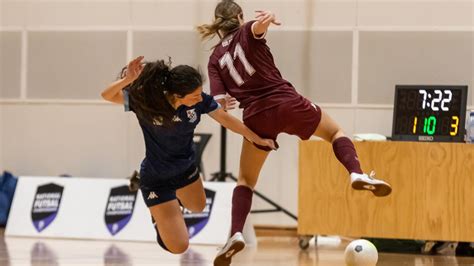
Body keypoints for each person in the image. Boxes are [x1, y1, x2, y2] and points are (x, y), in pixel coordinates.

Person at [197, 1, 392, 265]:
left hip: (255, 117)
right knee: (335, 132)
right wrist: (267, 19)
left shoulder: (214, 59)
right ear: (239, 16)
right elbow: (257, 28)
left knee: (245, 180)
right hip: (287, 103)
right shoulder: (246, 31)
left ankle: (235, 233)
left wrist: (226, 103)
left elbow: (220, 106)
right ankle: (356, 172)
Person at [101, 56, 276, 255]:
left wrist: (256, 138)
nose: (200, 98)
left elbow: (226, 120)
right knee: (179, 247)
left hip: (185, 168)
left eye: (200, 93)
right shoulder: (147, 101)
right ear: (177, 95)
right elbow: (107, 95)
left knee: (198, 206)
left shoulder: (199, 103)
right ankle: (157, 215)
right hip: (156, 177)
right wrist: (127, 80)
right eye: (194, 95)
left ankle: (170, 205)